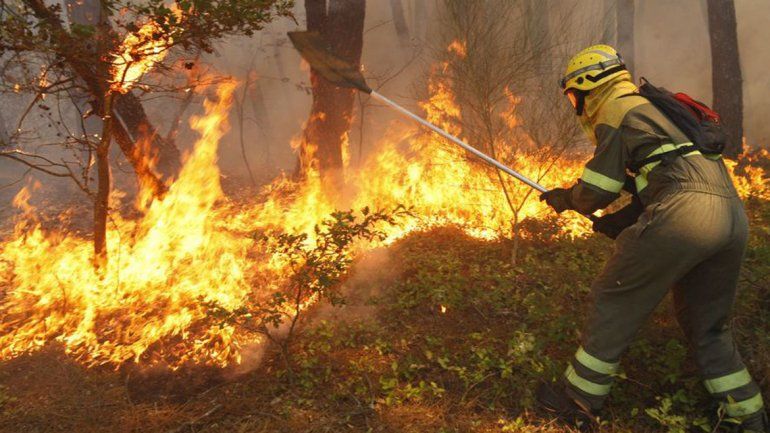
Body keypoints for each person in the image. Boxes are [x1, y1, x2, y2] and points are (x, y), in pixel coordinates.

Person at [536, 44, 768, 433]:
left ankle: (576, 400)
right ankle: (747, 417)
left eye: (574, 95)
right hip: (730, 216)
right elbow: (662, 177)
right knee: (707, 324)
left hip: (686, 215)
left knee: (614, 296)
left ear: (591, 85)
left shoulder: (616, 107)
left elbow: (600, 187)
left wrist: (568, 199)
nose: (575, 105)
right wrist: (622, 221)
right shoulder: (656, 110)